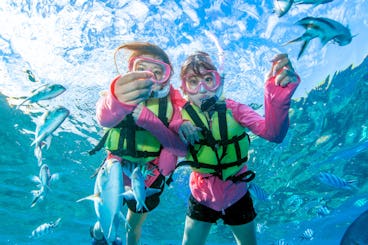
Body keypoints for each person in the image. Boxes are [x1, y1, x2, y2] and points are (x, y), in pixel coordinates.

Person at [174, 51, 300, 245]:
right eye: (193, 81)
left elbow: (274, 134)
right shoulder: (178, 117)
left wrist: (277, 99)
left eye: (209, 79)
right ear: (184, 89)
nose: (202, 89)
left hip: (237, 194)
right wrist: (177, 125)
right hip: (201, 196)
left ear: (219, 82)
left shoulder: (235, 109)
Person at [89, 42, 187, 245]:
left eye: (158, 72)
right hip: (115, 173)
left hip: (149, 180)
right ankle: (100, 235)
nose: (149, 76)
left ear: (166, 78)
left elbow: (181, 149)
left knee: (132, 227)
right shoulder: (116, 95)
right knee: (106, 221)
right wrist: (117, 98)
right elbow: (104, 117)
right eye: (141, 69)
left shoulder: (176, 106)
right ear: (130, 70)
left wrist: (150, 120)